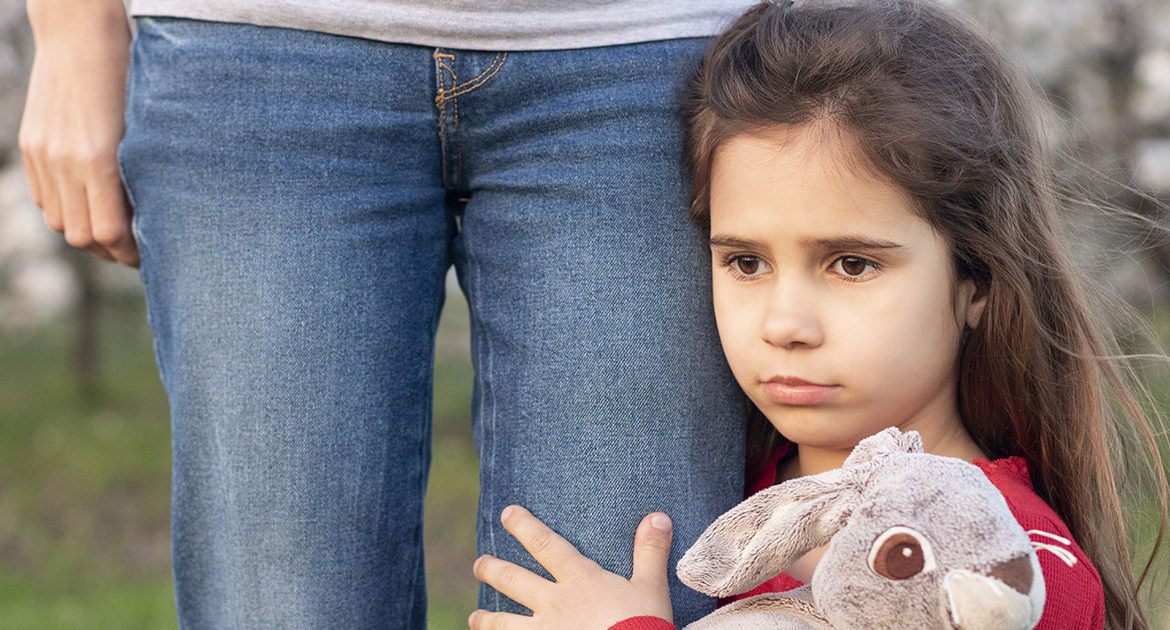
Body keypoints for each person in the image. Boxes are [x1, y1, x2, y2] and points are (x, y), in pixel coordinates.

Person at [17, 0, 761, 627]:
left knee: (634, 578)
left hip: (649, 51)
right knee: (286, 599)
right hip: (252, 54)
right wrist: (72, 32)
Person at [468, 1, 1170, 629]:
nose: (784, 325)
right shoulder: (728, 497)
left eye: (853, 264)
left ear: (975, 280)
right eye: (745, 262)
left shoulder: (1005, 565)